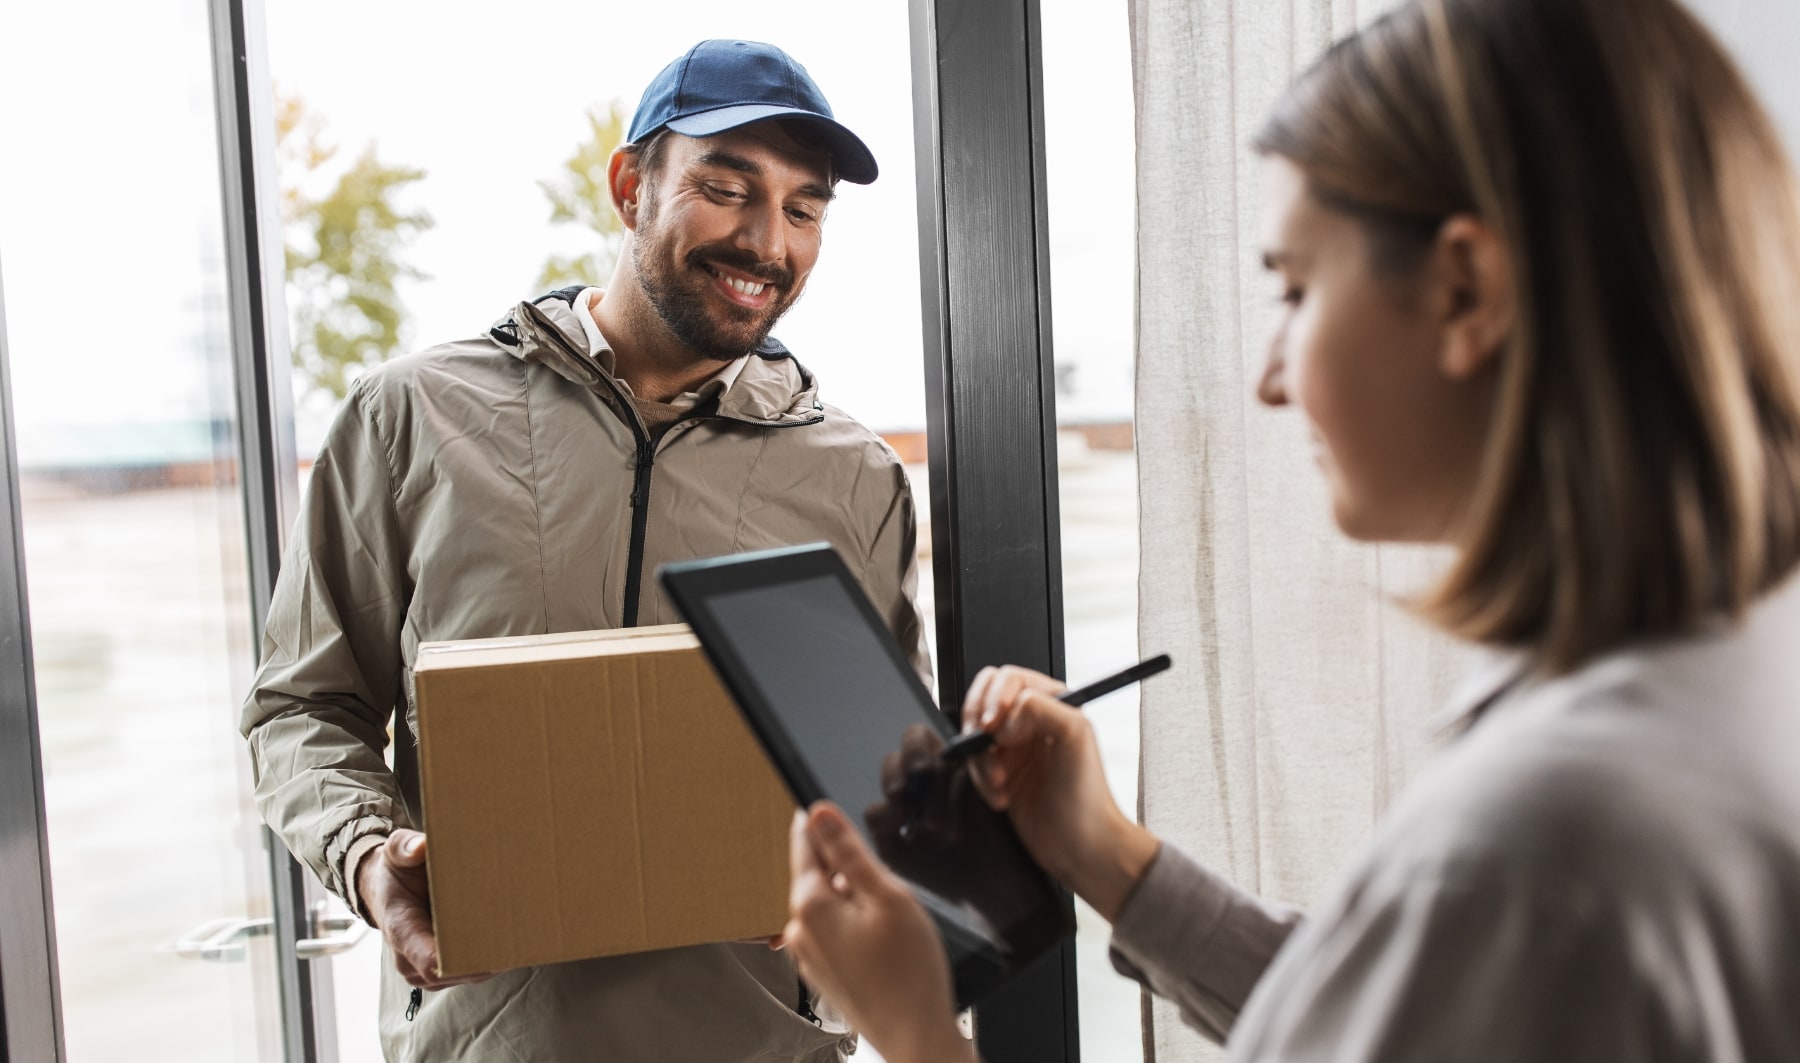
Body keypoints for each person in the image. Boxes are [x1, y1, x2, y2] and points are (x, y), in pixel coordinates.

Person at [780, 0, 1800, 1059]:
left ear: (1466, 289)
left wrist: (913, 1027)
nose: (1270, 378)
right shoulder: (1727, 670)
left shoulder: (1542, 841)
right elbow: (1414, 1006)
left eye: (1297, 289)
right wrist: (1109, 857)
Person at [241, 39, 928, 1062]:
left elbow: (887, 767)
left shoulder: (855, 476)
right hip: (484, 1042)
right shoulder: (412, 417)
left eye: (804, 208)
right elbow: (301, 706)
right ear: (629, 187)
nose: (765, 240)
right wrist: (366, 856)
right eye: (726, 188)